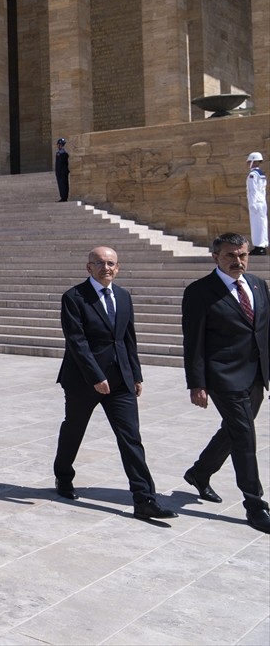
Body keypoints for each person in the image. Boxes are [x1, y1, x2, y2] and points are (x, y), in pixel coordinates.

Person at [53, 247, 177, 521]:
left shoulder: (123, 296)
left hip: (120, 380)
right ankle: (63, 476)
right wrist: (96, 377)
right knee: (74, 429)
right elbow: (77, 342)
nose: (105, 268)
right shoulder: (74, 297)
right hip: (84, 380)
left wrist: (135, 374)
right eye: (99, 263)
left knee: (131, 437)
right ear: (89, 268)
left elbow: (128, 338)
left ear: (117, 268)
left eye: (111, 263)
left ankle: (144, 498)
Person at [181, 233, 270, 534]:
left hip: (256, 373)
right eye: (230, 255)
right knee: (245, 436)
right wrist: (197, 383)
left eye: (242, 255)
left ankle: (199, 472)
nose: (238, 261)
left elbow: (264, 331)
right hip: (223, 376)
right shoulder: (199, 292)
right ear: (215, 257)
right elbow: (193, 342)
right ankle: (254, 505)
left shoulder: (258, 285)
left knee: (233, 430)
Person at [248, 152, 267, 256]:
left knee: (256, 225)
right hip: (262, 202)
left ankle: (259, 247)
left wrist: (253, 203)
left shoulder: (253, 175)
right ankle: (262, 246)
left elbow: (253, 190)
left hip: (256, 202)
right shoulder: (261, 173)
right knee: (262, 224)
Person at [55, 138, 70, 202]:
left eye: (59, 144)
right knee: (61, 185)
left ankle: (64, 197)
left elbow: (64, 164)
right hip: (59, 172)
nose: (58, 146)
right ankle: (63, 197)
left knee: (63, 184)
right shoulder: (59, 153)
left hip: (62, 172)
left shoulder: (63, 153)